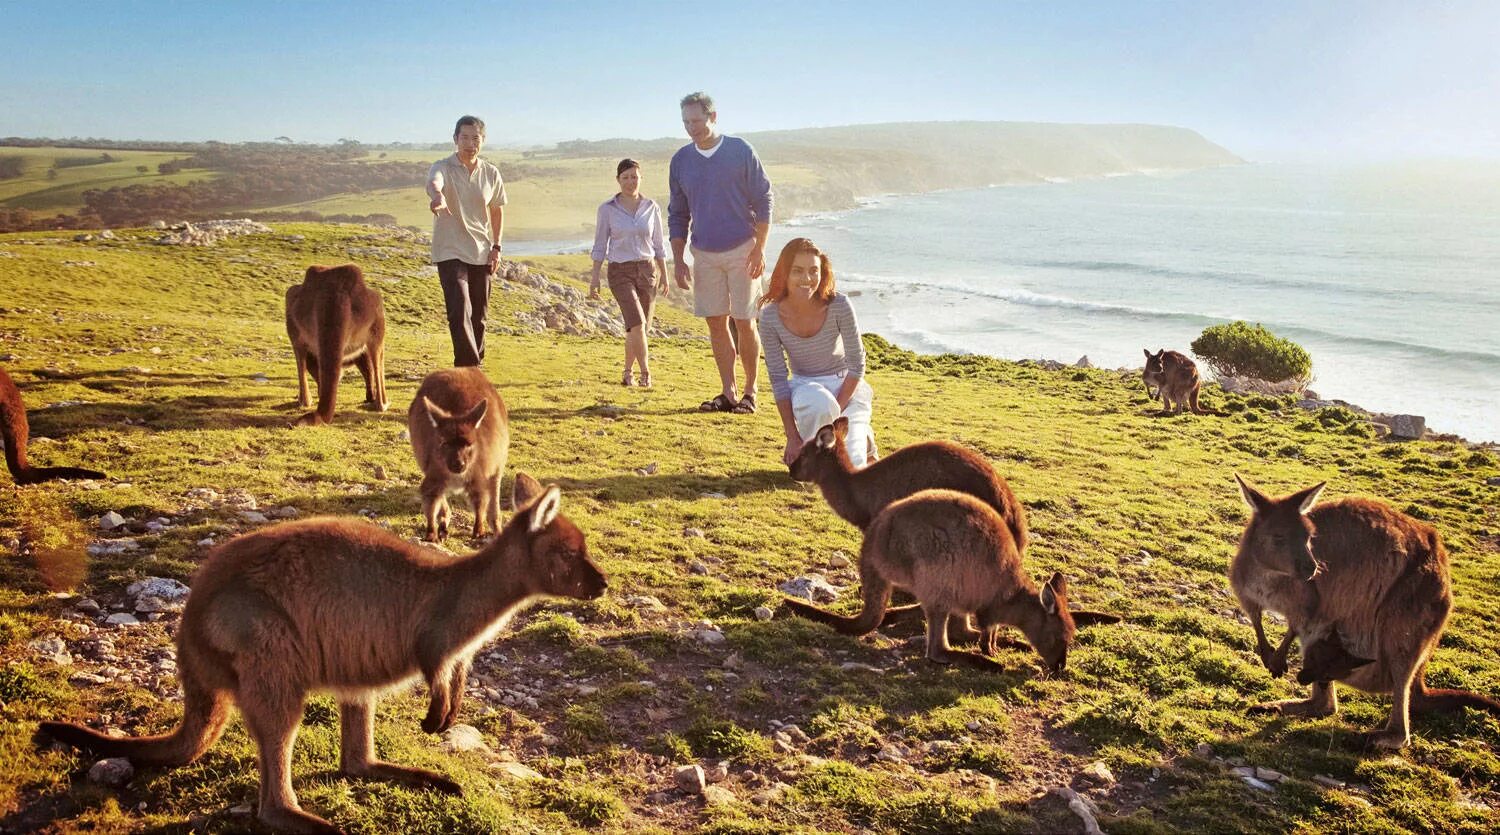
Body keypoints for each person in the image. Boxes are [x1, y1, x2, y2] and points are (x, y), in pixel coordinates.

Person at [668, 91, 774, 414]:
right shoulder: (681, 161)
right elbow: (677, 213)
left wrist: (760, 248)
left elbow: (765, 200)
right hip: (704, 254)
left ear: (713, 117)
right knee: (716, 323)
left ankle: (750, 392)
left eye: (696, 120)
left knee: (744, 321)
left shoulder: (740, 151)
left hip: (743, 250)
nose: (691, 127)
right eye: (685, 121)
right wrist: (679, 259)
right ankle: (727, 393)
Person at [759, 238, 877, 468]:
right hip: (806, 389)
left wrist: (839, 413)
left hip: (847, 389)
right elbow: (778, 378)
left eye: (814, 271)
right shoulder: (770, 316)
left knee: (853, 468)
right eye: (797, 271)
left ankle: (861, 437)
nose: (807, 279)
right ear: (784, 274)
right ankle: (847, 438)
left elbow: (857, 365)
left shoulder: (839, 305)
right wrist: (792, 437)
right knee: (819, 404)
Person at [426, 115, 506, 367]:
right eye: (465, 138)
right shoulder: (443, 166)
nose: (470, 143)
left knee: (478, 316)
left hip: (481, 251)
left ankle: (475, 364)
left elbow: (496, 211)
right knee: (459, 310)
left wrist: (497, 247)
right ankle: (469, 368)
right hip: (449, 250)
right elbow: (433, 182)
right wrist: (438, 196)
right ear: (455, 140)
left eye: (475, 138)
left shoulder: (491, 173)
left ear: (483, 141)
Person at [590, 159, 668, 387]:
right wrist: (595, 277)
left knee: (639, 328)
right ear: (618, 180)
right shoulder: (607, 209)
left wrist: (664, 273)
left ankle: (627, 372)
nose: (630, 182)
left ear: (640, 178)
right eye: (625, 177)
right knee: (637, 323)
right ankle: (646, 374)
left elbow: (659, 244)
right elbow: (599, 244)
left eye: (634, 177)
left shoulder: (651, 207)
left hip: (647, 270)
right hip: (619, 272)